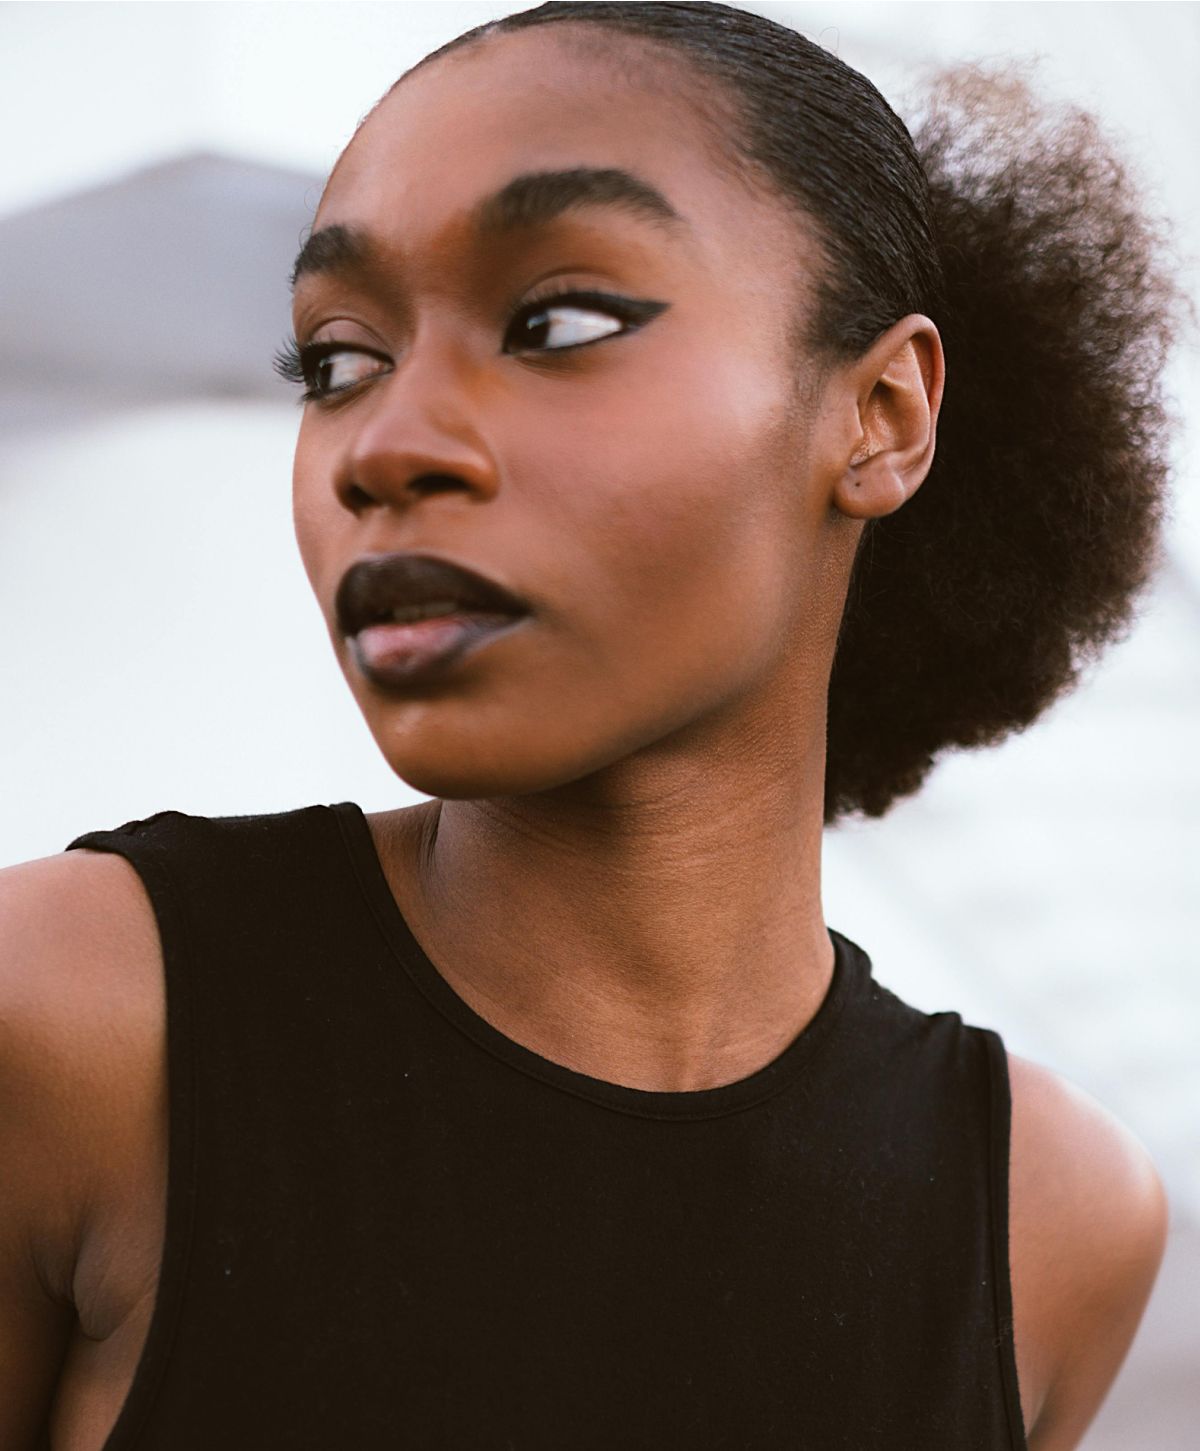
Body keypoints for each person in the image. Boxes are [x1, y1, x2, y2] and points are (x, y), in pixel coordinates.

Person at [1, 3, 1185, 1448]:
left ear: (879, 412)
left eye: (556, 322)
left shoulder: (1046, 1219)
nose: (385, 447)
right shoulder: (77, 1025)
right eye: (337, 360)